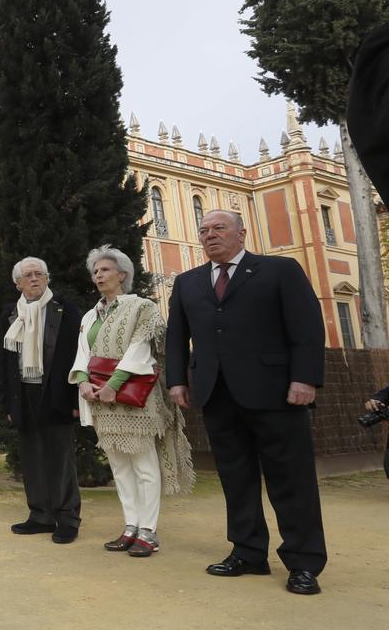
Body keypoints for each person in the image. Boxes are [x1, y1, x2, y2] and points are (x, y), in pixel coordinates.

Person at [166, 209, 327, 596]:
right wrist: (176, 381)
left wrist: (304, 378)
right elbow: (176, 336)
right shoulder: (187, 282)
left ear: (242, 232)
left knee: (291, 480)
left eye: (219, 228)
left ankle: (303, 562)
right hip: (216, 393)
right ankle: (248, 551)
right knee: (236, 479)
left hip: (275, 393)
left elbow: (306, 327)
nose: (209, 236)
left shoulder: (280, 270)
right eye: (203, 230)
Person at [69, 245, 194, 558]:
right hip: (100, 399)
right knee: (119, 466)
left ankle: (148, 531)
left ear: (122, 274)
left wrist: (114, 383)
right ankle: (130, 526)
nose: (99, 275)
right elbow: (83, 352)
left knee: (145, 466)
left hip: (133, 398)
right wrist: (82, 381)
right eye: (95, 271)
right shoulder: (89, 315)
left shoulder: (142, 307)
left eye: (105, 270)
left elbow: (140, 348)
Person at [0, 256, 82, 543]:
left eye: (39, 274)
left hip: (56, 392)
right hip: (23, 394)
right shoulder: (11, 314)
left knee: (61, 458)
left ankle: (67, 517)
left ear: (47, 278)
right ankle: (40, 515)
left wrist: (74, 399)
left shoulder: (65, 309)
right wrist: (8, 404)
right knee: (32, 456)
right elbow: (4, 362)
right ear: (17, 283)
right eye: (28, 275)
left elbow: (76, 355)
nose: (34, 279)